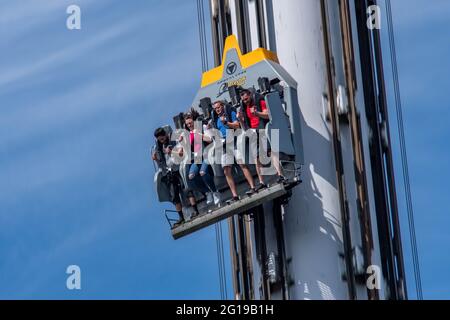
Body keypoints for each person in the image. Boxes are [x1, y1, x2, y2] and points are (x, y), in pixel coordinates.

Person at [212, 100, 257, 204]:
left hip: (234, 141)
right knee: (226, 170)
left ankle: (253, 187)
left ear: (222, 106)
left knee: (242, 164)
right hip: (224, 144)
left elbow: (237, 125)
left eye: (218, 107)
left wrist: (226, 123)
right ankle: (235, 195)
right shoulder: (215, 119)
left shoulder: (229, 112)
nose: (217, 110)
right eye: (215, 109)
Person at [238, 88, 286, 185]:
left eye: (246, 98)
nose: (245, 101)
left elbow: (268, 115)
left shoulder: (259, 101)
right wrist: (240, 120)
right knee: (256, 157)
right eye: (243, 100)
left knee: (270, 152)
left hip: (264, 129)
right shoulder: (243, 107)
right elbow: (244, 127)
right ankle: (261, 182)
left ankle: (280, 175)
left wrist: (256, 113)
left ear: (250, 95)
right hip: (253, 133)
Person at [183, 110, 221, 208]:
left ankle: (215, 192)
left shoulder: (202, 128)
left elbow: (209, 139)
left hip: (206, 155)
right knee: (191, 176)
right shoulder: (188, 133)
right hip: (197, 158)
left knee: (202, 172)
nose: (189, 125)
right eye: (187, 124)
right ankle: (207, 192)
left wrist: (198, 135)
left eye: (190, 123)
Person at [152, 127, 185, 226]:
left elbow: (181, 154)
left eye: (162, 136)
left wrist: (171, 152)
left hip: (178, 168)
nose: (161, 139)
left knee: (186, 189)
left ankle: (195, 209)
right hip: (168, 172)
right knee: (174, 195)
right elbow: (161, 163)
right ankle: (181, 217)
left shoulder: (173, 141)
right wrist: (156, 159)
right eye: (159, 138)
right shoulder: (158, 148)